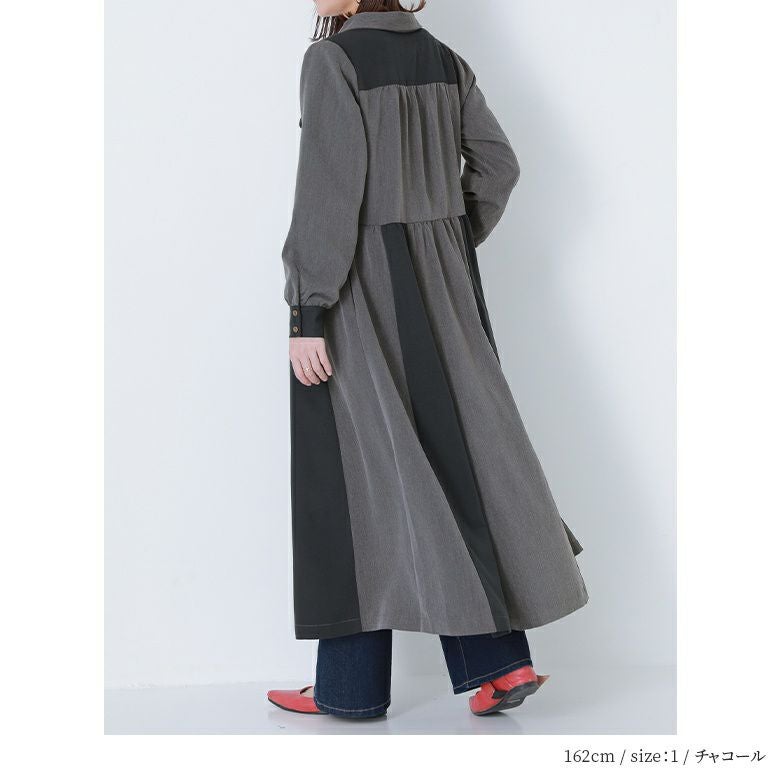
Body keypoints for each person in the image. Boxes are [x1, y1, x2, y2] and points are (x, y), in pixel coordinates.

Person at [268, 0, 589, 719]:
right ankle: (495, 665)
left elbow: (327, 189)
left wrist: (307, 310)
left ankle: (355, 691)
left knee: (356, 478)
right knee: (449, 459)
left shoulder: (332, 59)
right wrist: (443, 240)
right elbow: (499, 166)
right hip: (444, 288)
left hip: (360, 292)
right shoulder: (443, 59)